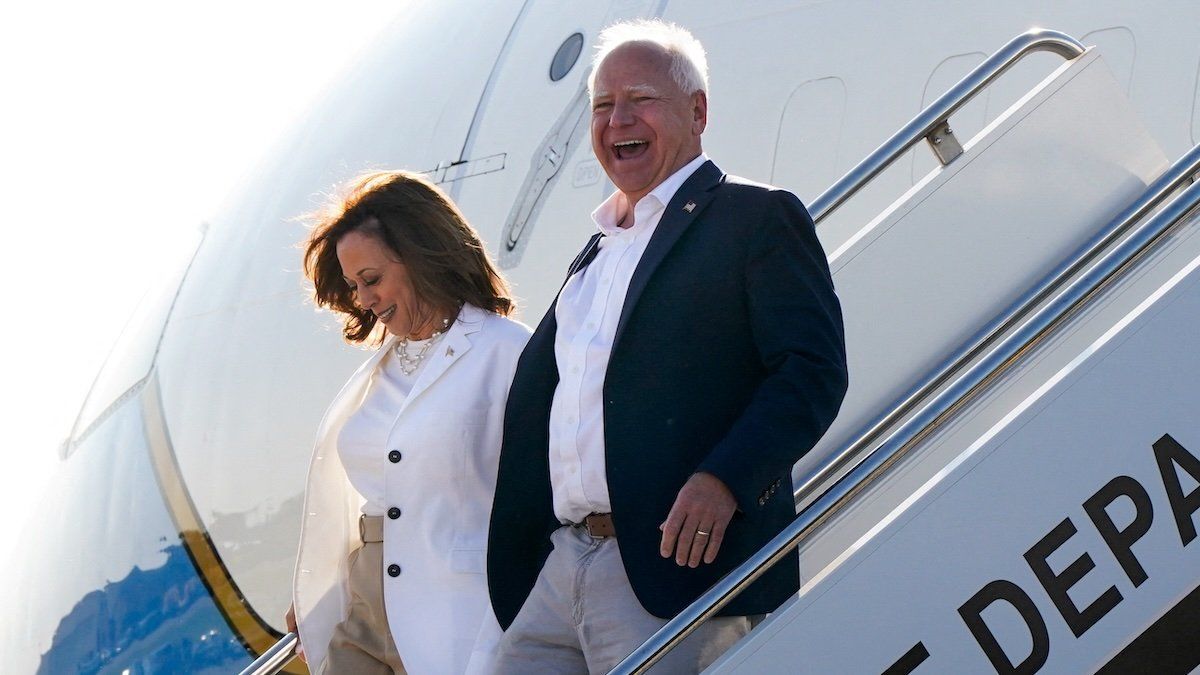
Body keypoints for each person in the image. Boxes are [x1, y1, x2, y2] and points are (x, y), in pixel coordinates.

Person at [486, 19, 848, 673]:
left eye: (640, 99)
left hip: (668, 571)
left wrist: (726, 478)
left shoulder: (754, 219)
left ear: (697, 111)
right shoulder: (598, 251)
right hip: (564, 563)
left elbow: (812, 370)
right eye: (602, 105)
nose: (617, 118)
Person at [286, 170, 529, 674]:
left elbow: (536, 501)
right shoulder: (381, 369)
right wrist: (320, 591)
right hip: (367, 604)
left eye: (371, 280)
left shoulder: (507, 351)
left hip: (457, 604)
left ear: (420, 255)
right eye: (354, 287)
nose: (364, 300)